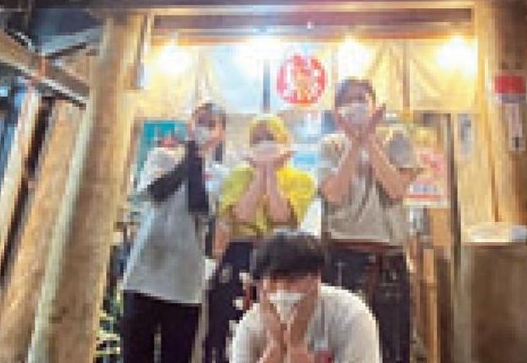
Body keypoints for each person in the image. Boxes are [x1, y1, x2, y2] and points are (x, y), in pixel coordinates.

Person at [318, 78, 419, 363]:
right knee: (344, 346)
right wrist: (354, 143)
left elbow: (396, 189)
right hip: (343, 255)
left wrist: (369, 140)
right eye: (347, 100)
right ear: (338, 110)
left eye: (361, 98)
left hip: (389, 257)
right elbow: (334, 193)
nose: (355, 105)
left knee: (392, 345)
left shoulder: (395, 138)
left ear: (374, 106)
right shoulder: (330, 145)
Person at [121, 102, 227, 363]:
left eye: (211, 124)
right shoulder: (160, 156)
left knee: (176, 355)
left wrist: (197, 161)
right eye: (200, 121)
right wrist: (188, 157)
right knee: (135, 353)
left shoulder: (219, 174)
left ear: (220, 134)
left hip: (184, 281)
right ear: (190, 124)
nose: (204, 128)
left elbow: (199, 206)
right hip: (144, 273)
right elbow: (156, 192)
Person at [205, 114, 316, 363]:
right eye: (257, 139)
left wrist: (271, 174)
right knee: (227, 330)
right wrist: (260, 174)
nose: (264, 143)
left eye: (271, 137)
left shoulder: (302, 179)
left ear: (284, 140)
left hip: (281, 259)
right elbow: (242, 215)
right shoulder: (237, 175)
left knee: (278, 328)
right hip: (239, 256)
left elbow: (281, 217)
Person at [230, 230, 380, 363]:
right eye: (273, 280)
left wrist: (296, 345)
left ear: (317, 278)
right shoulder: (250, 325)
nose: (282, 290)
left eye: (292, 280)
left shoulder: (351, 316)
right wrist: (275, 346)